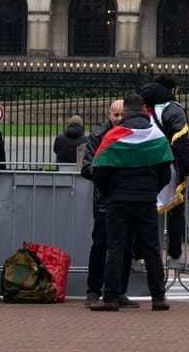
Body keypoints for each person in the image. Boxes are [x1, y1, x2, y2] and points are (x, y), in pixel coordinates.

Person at [90, 92, 173, 311]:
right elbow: (166, 172)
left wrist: (110, 191)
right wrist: (151, 189)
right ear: (145, 110)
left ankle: (111, 297)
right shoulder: (156, 135)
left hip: (118, 200)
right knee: (151, 249)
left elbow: (99, 169)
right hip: (146, 200)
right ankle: (158, 297)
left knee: (116, 248)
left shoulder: (114, 135)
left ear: (125, 111)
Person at [139, 74, 189, 263]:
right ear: (171, 90)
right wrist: (188, 169)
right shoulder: (174, 109)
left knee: (145, 211)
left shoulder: (145, 109)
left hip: (145, 165)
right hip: (168, 165)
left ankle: (140, 255)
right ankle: (174, 254)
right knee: (176, 211)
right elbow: (180, 141)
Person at [80, 98, 126, 306]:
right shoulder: (98, 136)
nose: (118, 118)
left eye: (122, 114)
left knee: (126, 247)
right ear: (109, 115)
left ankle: (119, 290)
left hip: (125, 198)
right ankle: (93, 290)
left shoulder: (132, 134)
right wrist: (108, 176)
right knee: (100, 245)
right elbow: (86, 167)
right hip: (104, 199)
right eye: (115, 114)